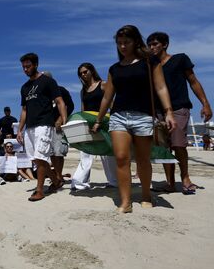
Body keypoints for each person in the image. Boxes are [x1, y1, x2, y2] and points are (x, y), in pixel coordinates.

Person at [92, 25, 176, 213]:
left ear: (136, 42)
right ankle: (126, 201)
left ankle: (146, 194)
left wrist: (169, 111)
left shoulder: (150, 62)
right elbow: (107, 96)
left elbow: (161, 88)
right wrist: (98, 119)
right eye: (119, 43)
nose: (122, 46)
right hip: (118, 116)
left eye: (126, 42)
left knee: (143, 159)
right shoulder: (114, 69)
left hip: (143, 116)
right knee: (121, 158)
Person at [147, 32, 212, 194]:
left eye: (155, 44)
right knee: (164, 148)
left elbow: (193, 82)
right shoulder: (151, 65)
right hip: (158, 112)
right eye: (149, 45)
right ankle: (170, 182)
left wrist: (205, 104)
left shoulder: (180, 59)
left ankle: (185, 178)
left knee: (178, 144)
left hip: (179, 108)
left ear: (165, 44)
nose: (152, 47)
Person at [17, 53, 68, 202]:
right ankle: (56, 180)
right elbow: (24, 110)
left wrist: (63, 120)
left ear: (36, 65)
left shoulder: (48, 81)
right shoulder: (24, 87)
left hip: (45, 124)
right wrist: (20, 130)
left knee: (41, 157)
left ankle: (39, 190)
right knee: (36, 160)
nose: (26, 69)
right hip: (30, 127)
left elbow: (59, 101)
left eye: (28, 66)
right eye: (23, 67)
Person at [70, 63, 118, 190]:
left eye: (85, 71)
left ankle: (114, 182)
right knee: (85, 153)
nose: (83, 75)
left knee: (107, 155)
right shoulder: (83, 90)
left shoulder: (103, 84)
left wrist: (110, 121)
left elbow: (111, 104)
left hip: (104, 123)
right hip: (88, 124)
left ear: (92, 71)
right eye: (80, 73)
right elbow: (83, 109)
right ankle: (80, 182)